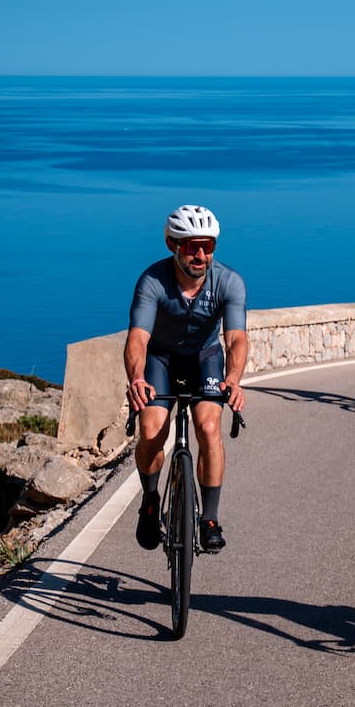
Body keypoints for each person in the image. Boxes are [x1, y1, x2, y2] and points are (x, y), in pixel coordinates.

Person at [125, 204, 248, 554]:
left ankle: (209, 518)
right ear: (172, 245)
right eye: (192, 246)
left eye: (208, 247)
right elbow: (138, 339)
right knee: (152, 429)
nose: (200, 256)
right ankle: (151, 498)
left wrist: (233, 379)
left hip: (205, 359)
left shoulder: (229, 281)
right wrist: (137, 379)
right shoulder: (152, 281)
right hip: (159, 360)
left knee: (208, 428)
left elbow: (236, 339)